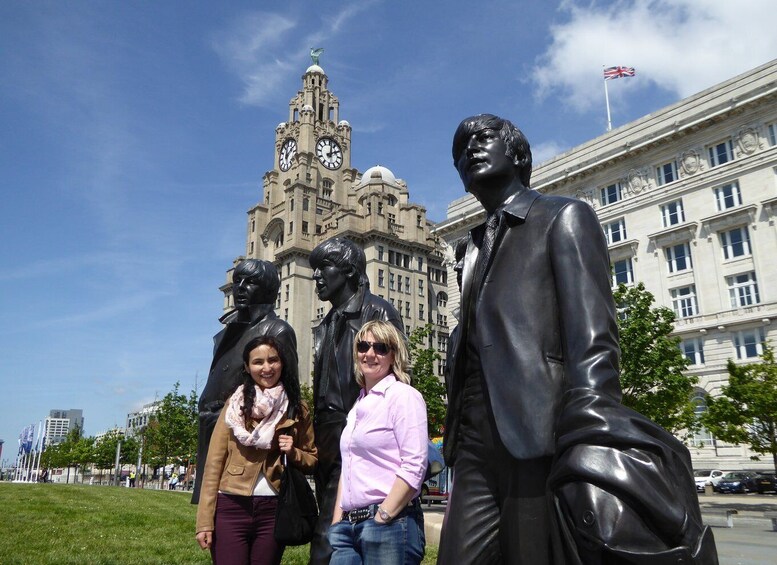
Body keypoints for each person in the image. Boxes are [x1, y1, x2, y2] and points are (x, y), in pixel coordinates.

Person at [308, 237, 404, 564]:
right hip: (327, 438)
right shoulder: (325, 324)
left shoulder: (378, 312)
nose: (317, 277)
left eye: (324, 268)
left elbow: (399, 376)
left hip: (360, 436)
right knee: (338, 529)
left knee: (327, 539)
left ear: (348, 270)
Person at [196, 335, 317, 565]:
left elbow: (312, 459)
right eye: (258, 362)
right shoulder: (234, 406)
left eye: (273, 360)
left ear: (282, 363)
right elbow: (213, 464)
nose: (267, 368)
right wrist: (204, 522)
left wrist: (293, 453)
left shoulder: (297, 408)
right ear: (247, 367)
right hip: (231, 506)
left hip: (273, 509)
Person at [193, 259, 297, 504]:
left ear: (269, 289)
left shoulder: (276, 330)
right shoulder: (230, 329)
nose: (240, 287)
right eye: (237, 281)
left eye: (250, 282)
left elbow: (291, 390)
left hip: (246, 440)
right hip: (214, 429)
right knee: (213, 511)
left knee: (235, 508)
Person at [328, 320, 427, 565]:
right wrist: (337, 520)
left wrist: (383, 515)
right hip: (347, 529)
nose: (370, 353)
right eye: (363, 346)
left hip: (389, 524)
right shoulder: (357, 406)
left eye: (381, 348)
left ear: (393, 355)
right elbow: (349, 466)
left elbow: (415, 464)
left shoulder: (403, 396)